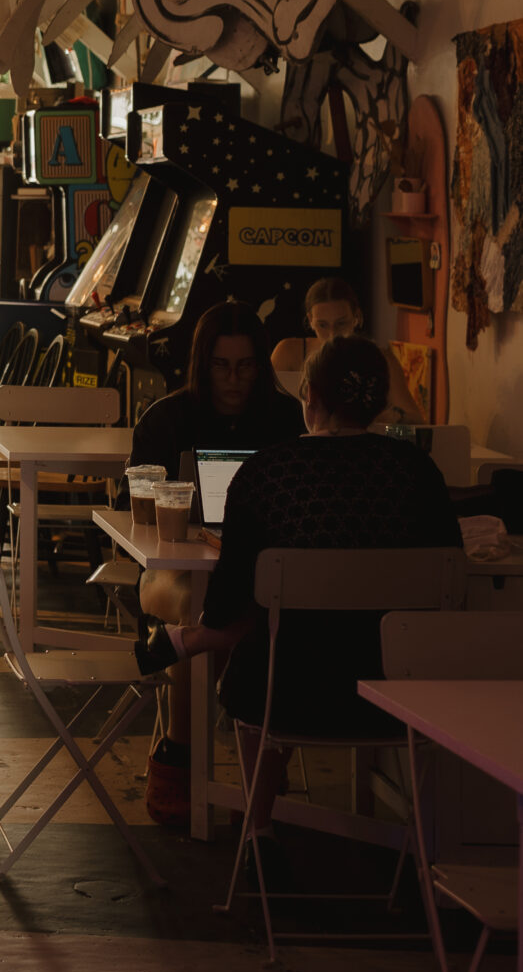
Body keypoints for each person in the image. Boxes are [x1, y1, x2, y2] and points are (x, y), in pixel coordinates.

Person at [137, 336, 460, 847]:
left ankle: (258, 826)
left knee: (257, 635)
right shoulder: (419, 472)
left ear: (307, 394)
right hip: (400, 691)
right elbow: (452, 579)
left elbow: (224, 603)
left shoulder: (268, 473)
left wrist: (209, 631)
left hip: (284, 691)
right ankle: (423, 846)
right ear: (376, 403)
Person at [128, 301, 304, 828]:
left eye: (246, 365)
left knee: (255, 614)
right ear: (202, 365)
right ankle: (185, 756)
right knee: (199, 608)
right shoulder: (167, 419)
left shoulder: (285, 418)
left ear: (262, 367)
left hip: (259, 575)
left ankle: (246, 765)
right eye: (221, 366)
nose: (233, 379)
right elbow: (133, 518)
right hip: (172, 574)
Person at [270, 275, 424, 425]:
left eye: (341, 323)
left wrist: (377, 418)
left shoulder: (379, 359)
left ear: (356, 316)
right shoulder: (288, 352)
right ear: (310, 320)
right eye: (322, 325)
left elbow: (416, 422)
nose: (332, 335)